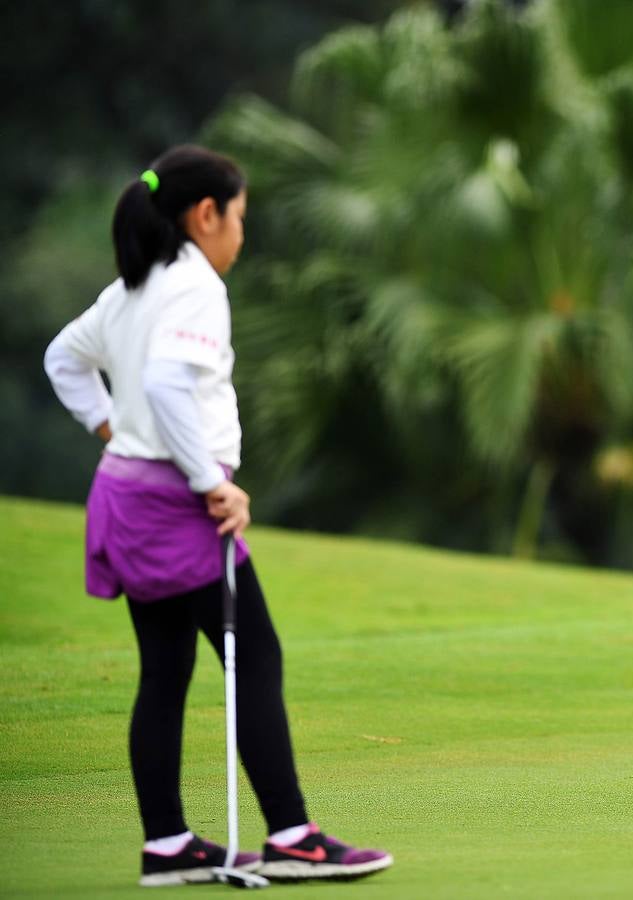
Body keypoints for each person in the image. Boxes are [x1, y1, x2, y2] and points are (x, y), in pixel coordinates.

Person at [44, 145, 393, 884]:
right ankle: (293, 835)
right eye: (240, 217)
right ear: (206, 216)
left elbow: (61, 360)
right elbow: (170, 385)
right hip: (174, 505)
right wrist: (212, 482)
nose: (243, 233)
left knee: (165, 668)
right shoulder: (193, 283)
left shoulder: (131, 288)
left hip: (125, 496)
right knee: (256, 656)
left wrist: (113, 431)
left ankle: (168, 843)